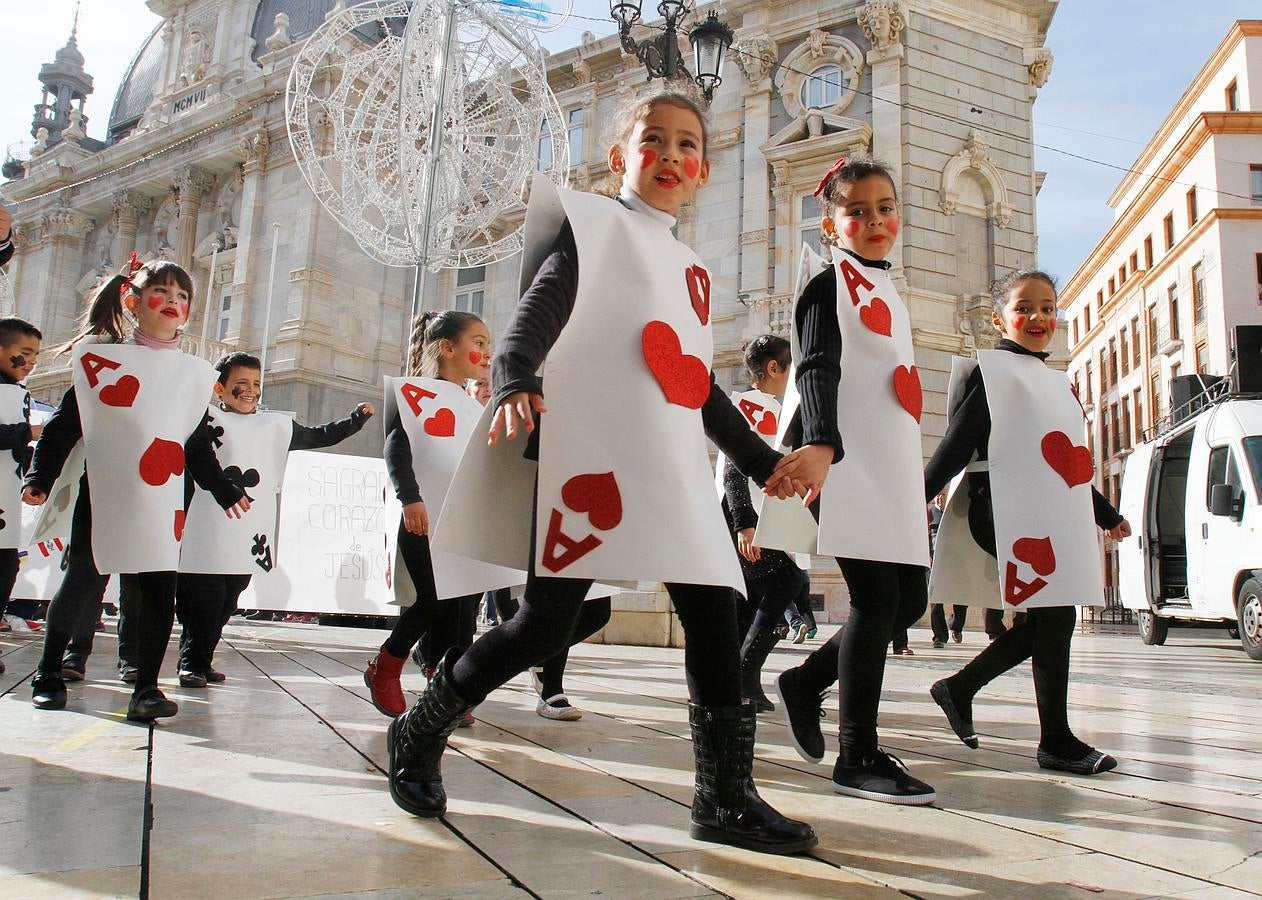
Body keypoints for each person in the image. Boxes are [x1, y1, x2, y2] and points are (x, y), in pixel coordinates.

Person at [386, 87, 817, 855]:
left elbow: (696, 383)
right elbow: (536, 315)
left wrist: (760, 461)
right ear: (621, 156)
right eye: (655, 140)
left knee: (716, 610)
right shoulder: (591, 225)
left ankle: (724, 797)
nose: (672, 156)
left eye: (688, 145)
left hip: (674, 463)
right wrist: (515, 376)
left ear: (705, 170)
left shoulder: (691, 270)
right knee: (540, 625)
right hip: (594, 455)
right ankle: (421, 728)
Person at [763, 156, 935, 805]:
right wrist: (822, 443)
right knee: (874, 601)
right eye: (857, 210)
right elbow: (817, 368)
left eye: (885, 207)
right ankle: (857, 753)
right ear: (830, 223)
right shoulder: (827, 282)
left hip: (889, 464)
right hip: (851, 460)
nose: (874, 220)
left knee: (909, 600)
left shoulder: (887, 288)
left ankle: (806, 683)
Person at [25, 255, 249, 721]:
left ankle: (145, 686)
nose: (172, 302)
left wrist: (226, 491)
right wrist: (40, 478)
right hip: (106, 491)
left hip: (164, 502)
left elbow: (195, 443)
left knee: (157, 590)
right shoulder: (102, 362)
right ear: (133, 299)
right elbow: (65, 427)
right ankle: (48, 673)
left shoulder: (194, 374)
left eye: (182, 296)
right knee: (83, 581)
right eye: (162, 292)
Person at [925, 269, 1130, 775]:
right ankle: (1050, 738)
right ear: (1000, 319)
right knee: (1054, 615)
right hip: (1001, 506)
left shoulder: (1053, 381)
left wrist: (1108, 515)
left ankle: (968, 692)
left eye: (1047, 307)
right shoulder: (992, 372)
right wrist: (917, 497)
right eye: (1024, 308)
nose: (1038, 317)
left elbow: (1067, 463)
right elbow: (956, 443)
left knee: (1051, 616)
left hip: (1043, 506)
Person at [174, 352, 373, 686]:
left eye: (256, 383)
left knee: (229, 597)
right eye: (241, 384)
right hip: (206, 525)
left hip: (249, 527)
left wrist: (354, 421)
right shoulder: (201, 419)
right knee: (204, 598)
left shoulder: (275, 425)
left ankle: (201, 658)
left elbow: (318, 435)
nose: (250, 390)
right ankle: (190, 662)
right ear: (219, 389)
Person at [720, 334, 813, 711]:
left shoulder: (782, 408)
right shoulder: (744, 406)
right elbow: (732, 467)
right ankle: (743, 672)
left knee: (752, 599)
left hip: (770, 515)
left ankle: (740, 682)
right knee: (787, 582)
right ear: (774, 368)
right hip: (746, 517)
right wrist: (744, 522)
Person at [0, 317, 42, 669]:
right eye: (23, 353)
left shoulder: (21, 394)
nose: (30, 362)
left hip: (7, 497)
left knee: (6, 565)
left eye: (35, 356)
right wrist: (28, 432)